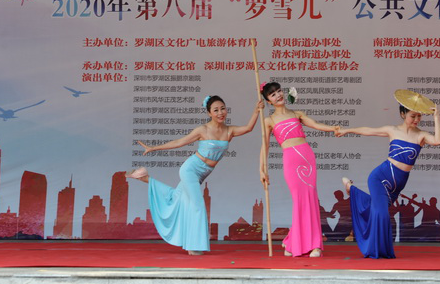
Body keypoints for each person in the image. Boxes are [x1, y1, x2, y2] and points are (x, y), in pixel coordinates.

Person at [127, 95, 263, 255]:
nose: (220, 113)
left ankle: (145, 178)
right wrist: (153, 148)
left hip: (203, 174)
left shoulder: (229, 131)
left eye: (223, 109)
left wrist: (256, 111)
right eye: (216, 110)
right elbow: (179, 142)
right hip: (190, 170)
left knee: (176, 197)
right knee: (197, 206)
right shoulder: (202, 130)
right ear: (209, 113)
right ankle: (194, 246)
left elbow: (248, 128)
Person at [336, 90, 440, 258]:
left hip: (398, 184)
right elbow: (367, 130)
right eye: (412, 116)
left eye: (419, 116)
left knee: (376, 210)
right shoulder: (392, 130)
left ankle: (352, 190)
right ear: (403, 114)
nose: (416, 119)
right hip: (380, 177)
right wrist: (347, 130)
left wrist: (436, 117)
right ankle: (376, 251)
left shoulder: (421, 135)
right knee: (382, 214)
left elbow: (438, 141)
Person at [260, 81, 339, 257]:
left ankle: (314, 245)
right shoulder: (269, 120)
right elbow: (264, 147)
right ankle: (292, 241)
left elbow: (316, 124)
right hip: (290, 160)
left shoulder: (297, 114)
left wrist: (333, 128)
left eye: (279, 91)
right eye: (273, 94)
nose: (278, 95)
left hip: (307, 157)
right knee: (299, 201)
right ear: (268, 101)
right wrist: (262, 169)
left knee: (310, 199)